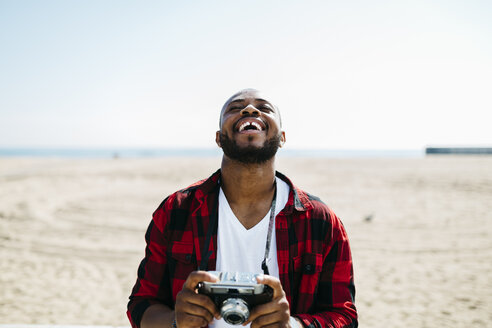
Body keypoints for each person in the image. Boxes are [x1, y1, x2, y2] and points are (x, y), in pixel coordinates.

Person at [127, 89, 358, 328]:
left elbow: (345, 317)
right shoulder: (176, 211)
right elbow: (142, 304)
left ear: (282, 137)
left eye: (264, 108)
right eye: (235, 108)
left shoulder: (319, 220)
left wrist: (293, 325)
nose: (250, 110)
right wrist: (176, 321)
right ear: (218, 138)